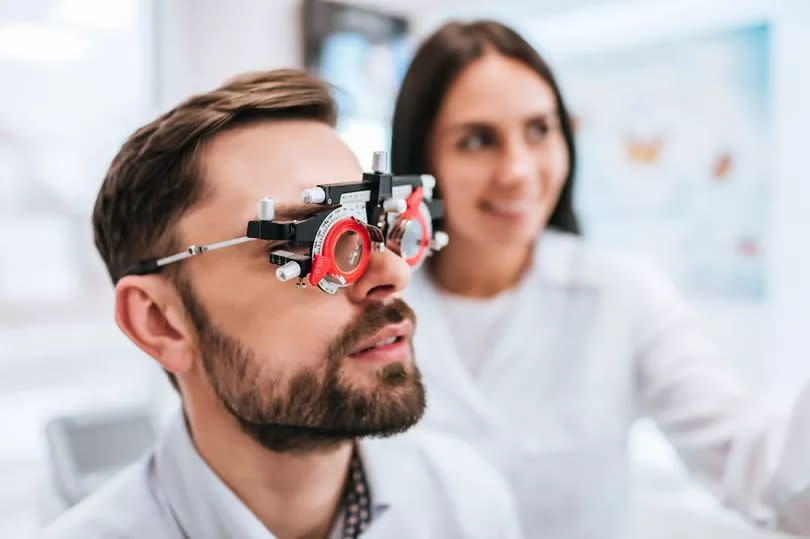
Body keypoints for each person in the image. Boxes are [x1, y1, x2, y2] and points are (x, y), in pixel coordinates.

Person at [43, 69, 522, 539]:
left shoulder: (465, 503)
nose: (394, 273)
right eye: (312, 241)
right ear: (160, 322)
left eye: (382, 227)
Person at [391, 20, 810, 538]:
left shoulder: (621, 295)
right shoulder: (374, 306)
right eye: (478, 140)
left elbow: (760, 473)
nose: (518, 170)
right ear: (421, 160)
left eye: (539, 130)